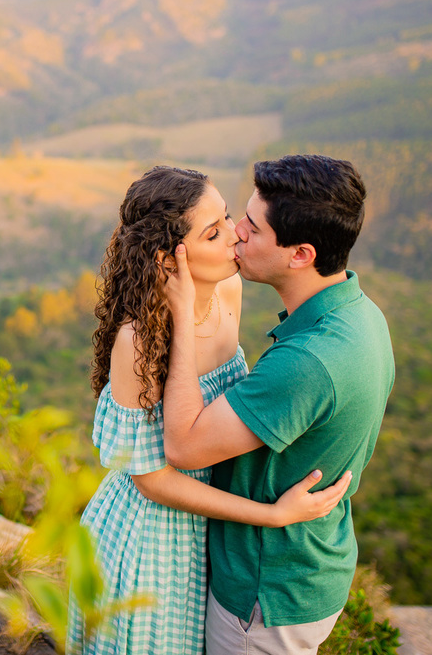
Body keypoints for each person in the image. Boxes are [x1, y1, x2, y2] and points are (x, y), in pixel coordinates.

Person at [66, 165, 351, 655]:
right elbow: (151, 480)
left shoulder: (230, 292)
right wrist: (271, 515)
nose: (235, 238)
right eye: (213, 232)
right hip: (150, 541)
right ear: (168, 256)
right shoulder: (137, 341)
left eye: (229, 219)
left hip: (210, 536)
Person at [161, 154, 395, 655]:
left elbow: (181, 446)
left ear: (300, 254)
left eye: (252, 227)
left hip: (266, 592)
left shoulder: (309, 363)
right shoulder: (363, 315)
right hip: (315, 564)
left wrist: (181, 315)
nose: (236, 234)